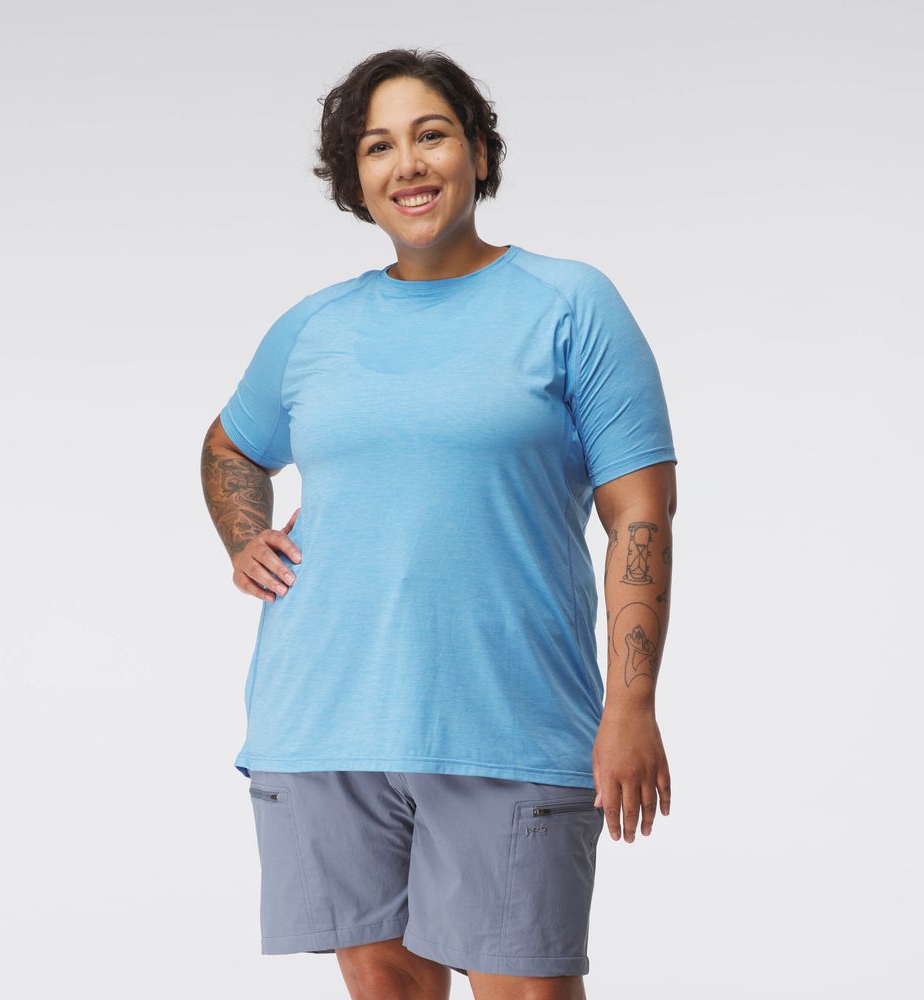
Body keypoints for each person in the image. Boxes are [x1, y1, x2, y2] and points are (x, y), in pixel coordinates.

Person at [201, 47, 678, 1000]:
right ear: (355, 178)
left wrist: (631, 706)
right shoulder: (314, 327)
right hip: (323, 717)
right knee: (384, 985)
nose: (408, 164)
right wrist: (245, 534)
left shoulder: (570, 303)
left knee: (527, 988)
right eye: (379, 146)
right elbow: (230, 447)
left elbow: (641, 512)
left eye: (432, 135)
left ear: (479, 154)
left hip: (510, 716)